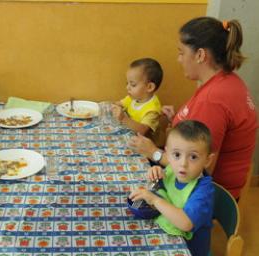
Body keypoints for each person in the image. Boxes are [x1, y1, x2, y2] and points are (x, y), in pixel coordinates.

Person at [128, 17, 257, 199]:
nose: (178, 59)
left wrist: (154, 153)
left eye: (181, 52)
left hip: (204, 195)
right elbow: (203, 129)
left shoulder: (213, 100)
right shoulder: (228, 81)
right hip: (207, 181)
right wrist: (178, 122)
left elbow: (199, 171)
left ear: (200, 55)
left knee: (128, 190)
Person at [129, 120, 215, 256]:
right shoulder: (172, 170)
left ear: (207, 161)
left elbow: (186, 223)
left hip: (189, 250)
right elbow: (163, 189)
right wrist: (156, 173)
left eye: (193, 157)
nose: (183, 164)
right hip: (164, 236)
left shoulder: (203, 191)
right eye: (177, 155)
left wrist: (155, 200)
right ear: (167, 153)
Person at [111, 58, 163, 136]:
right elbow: (118, 104)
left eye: (133, 84)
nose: (127, 87)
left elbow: (142, 130)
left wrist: (123, 118)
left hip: (142, 143)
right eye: (127, 83)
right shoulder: (133, 98)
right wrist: (114, 106)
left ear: (149, 87)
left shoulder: (152, 110)